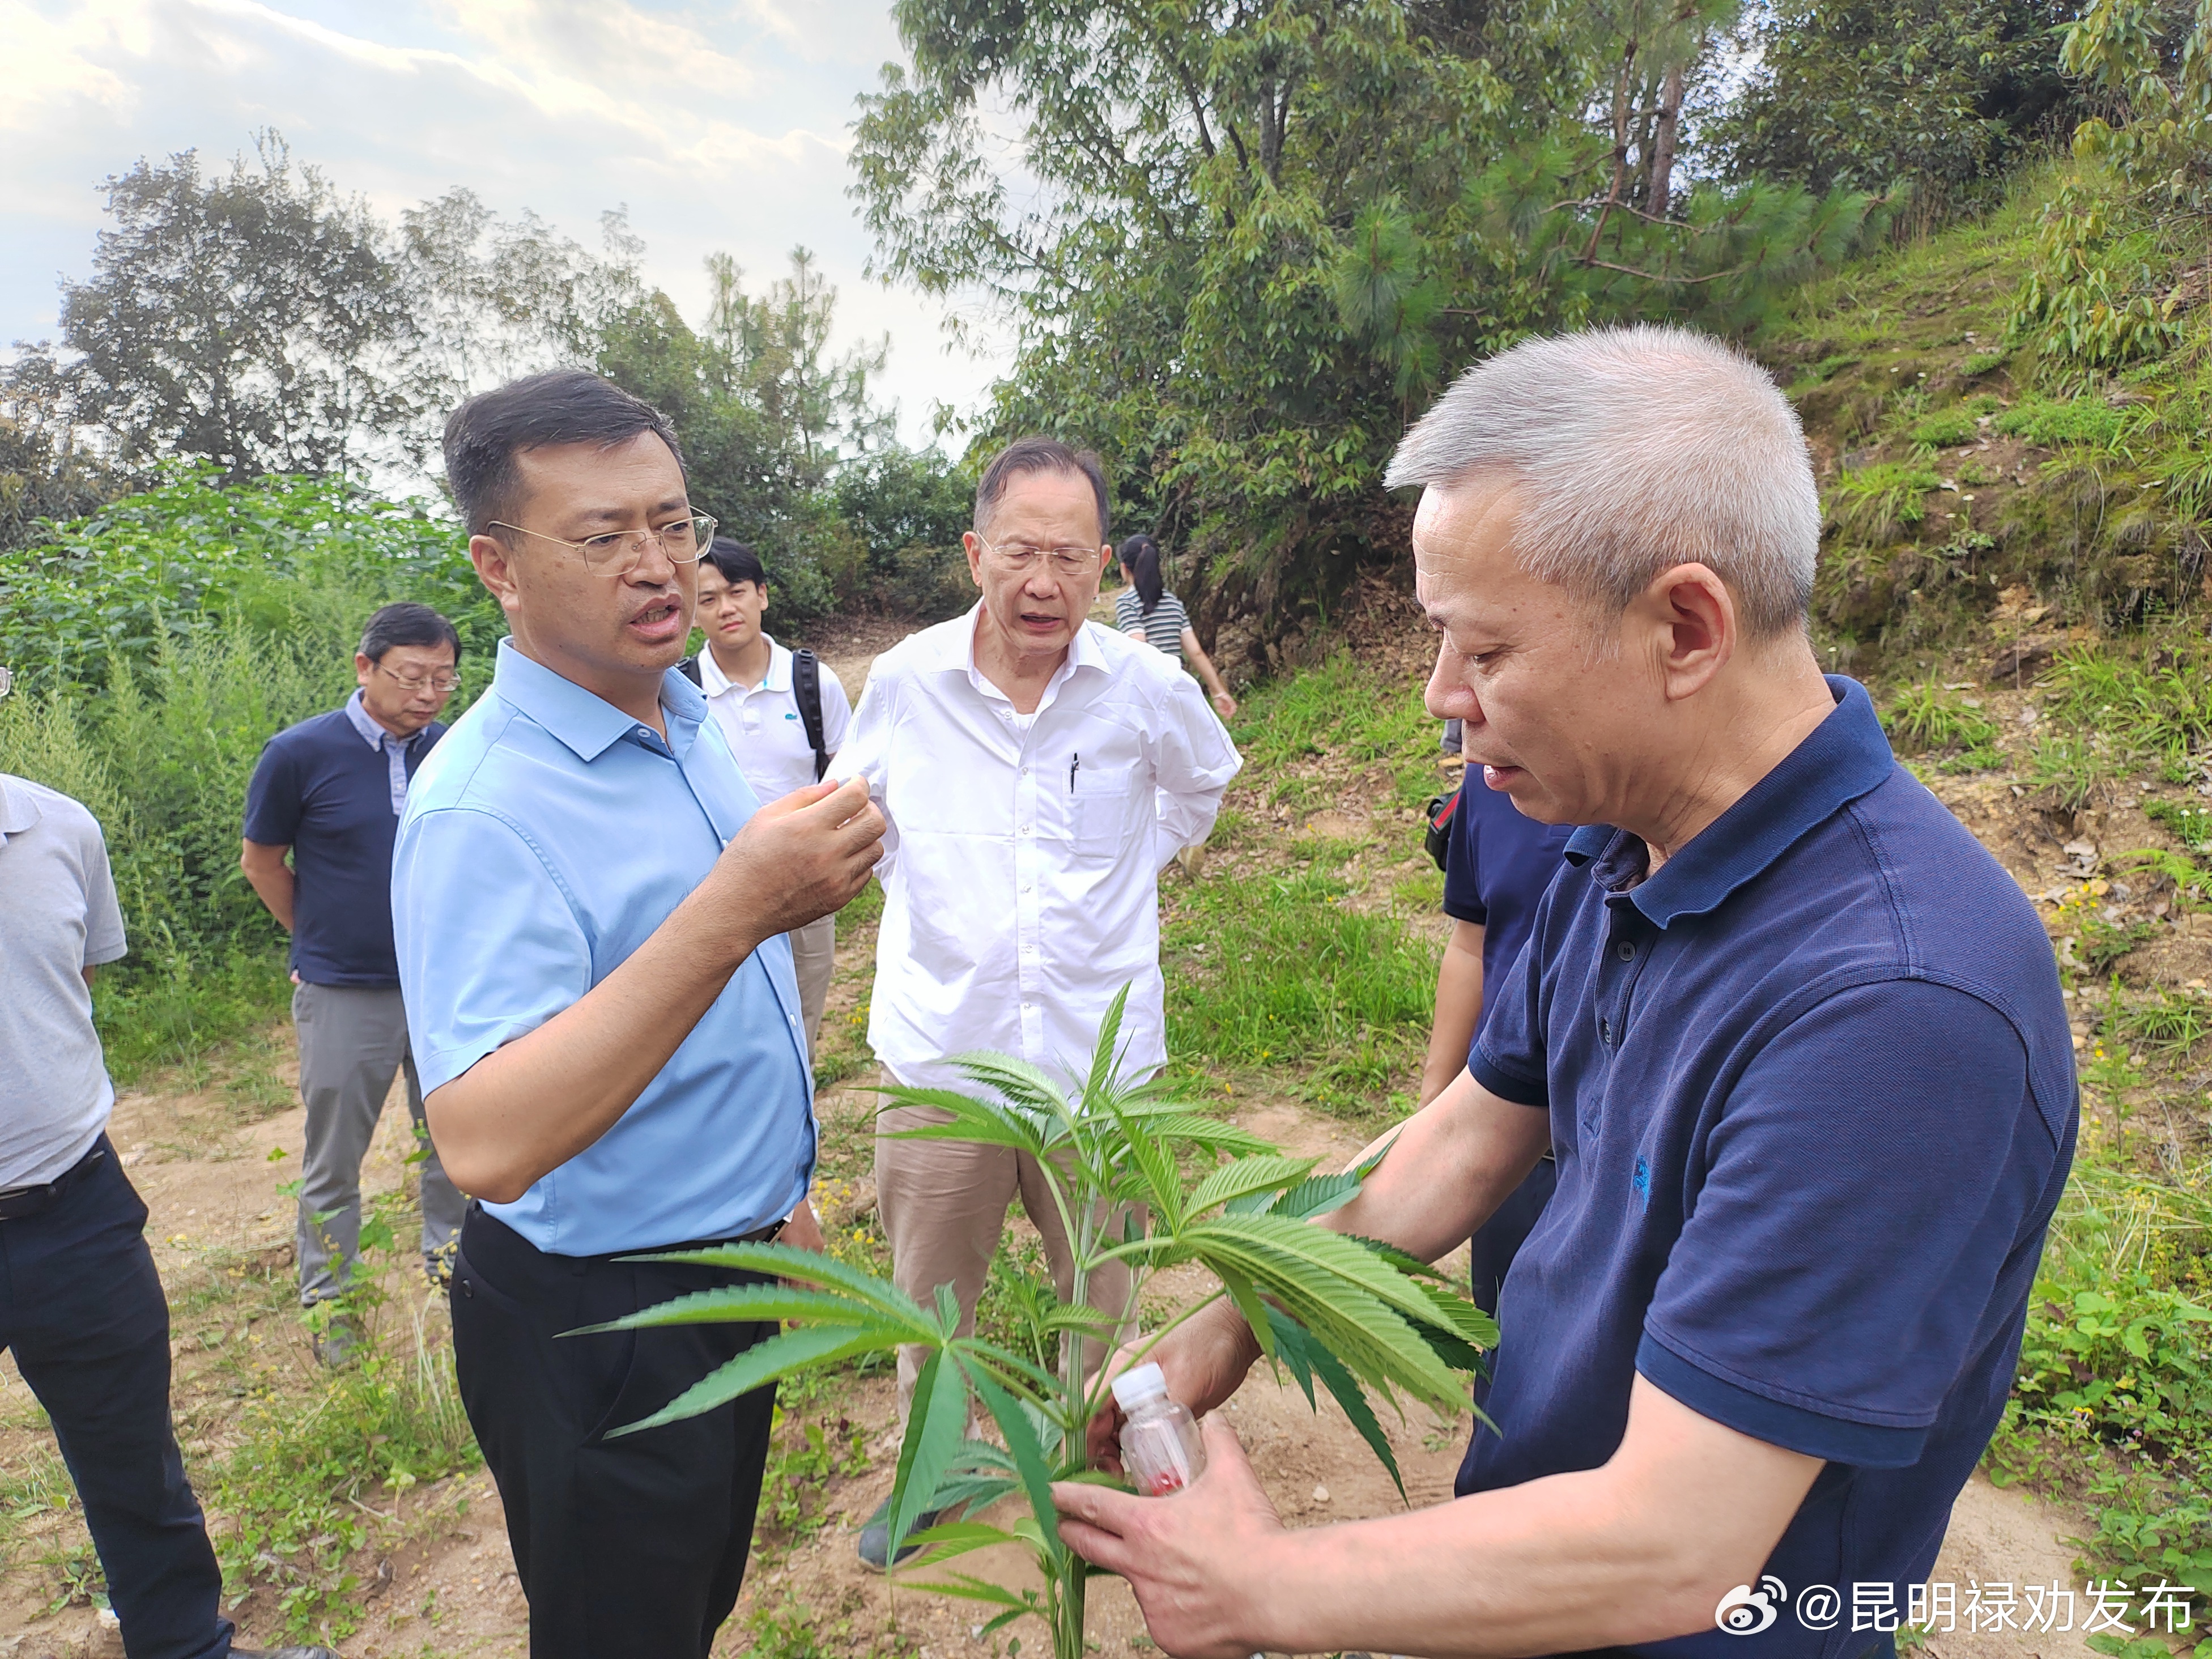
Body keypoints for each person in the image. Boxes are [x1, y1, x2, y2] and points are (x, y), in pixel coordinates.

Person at [1054, 326, 2078, 1659]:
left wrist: (1264, 1586)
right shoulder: (1621, 846)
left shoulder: (1895, 1004)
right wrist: (1241, 1310)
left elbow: (1674, 1543)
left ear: (1683, 628)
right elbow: (1477, 1128)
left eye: (1481, 653)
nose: (1440, 702)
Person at [390, 369, 883, 1659]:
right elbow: (486, 1142)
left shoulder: (677, 715)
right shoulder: (480, 806)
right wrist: (736, 907)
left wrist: (777, 1188)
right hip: (598, 1319)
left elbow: (711, 1016)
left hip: (727, 1264)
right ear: (496, 564)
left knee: (692, 1601)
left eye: (670, 522)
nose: (659, 564)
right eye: (603, 536)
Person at [832, 437, 1243, 1569]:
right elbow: (851, 817)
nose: (1041, 581)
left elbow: (1201, 783)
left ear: (1102, 563)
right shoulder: (909, 683)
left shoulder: (1143, 685)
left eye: (1068, 555)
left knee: (1101, 1303)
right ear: (975, 553)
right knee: (932, 1307)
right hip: (944, 1062)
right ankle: (931, 1473)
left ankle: (1092, 1486)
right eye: (1018, 552)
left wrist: (1126, 875)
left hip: (1095, 1072)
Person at [2, 769, 338, 1659]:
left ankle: (185, 1647)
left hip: (74, 1206)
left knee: (132, 1460)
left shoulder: (58, 830)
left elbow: (63, 987)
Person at [240, 602, 467, 1354]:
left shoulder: (455, 751)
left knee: (455, 1141)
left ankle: (457, 1274)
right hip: (344, 991)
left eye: (444, 679)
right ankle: (331, 1307)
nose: (429, 694)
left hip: (443, 986)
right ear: (365, 668)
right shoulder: (300, 754)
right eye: (412, 676)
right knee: (335, 1157)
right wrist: (318, 933)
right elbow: (263, 862)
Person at [682, 537, 853, 1058]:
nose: (725, 609)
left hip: (803, 889)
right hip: (708, 894)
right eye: (707, 599)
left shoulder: (811, 684)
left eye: (735, 592)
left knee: (803, 1020)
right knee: (715, 1028)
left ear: (762, 595)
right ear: (692, 614)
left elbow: (845, 781)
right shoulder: (679, 691)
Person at [1418, 771, 1574, 1320]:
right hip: (1505, 1142)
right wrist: (1434, 1105)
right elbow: (1471, 941)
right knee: (1503, 1354)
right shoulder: (1489, 783)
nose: (1446, 703)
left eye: (1488, 675)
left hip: (1627, 1170)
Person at [1113, 533, 1237, 717]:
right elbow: (1195, 652)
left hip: (1148, 697)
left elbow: (1138, 647)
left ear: (1124, 568)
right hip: (1178, 691)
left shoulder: (1127, 603)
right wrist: (1218, 691)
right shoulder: (1173, 602)